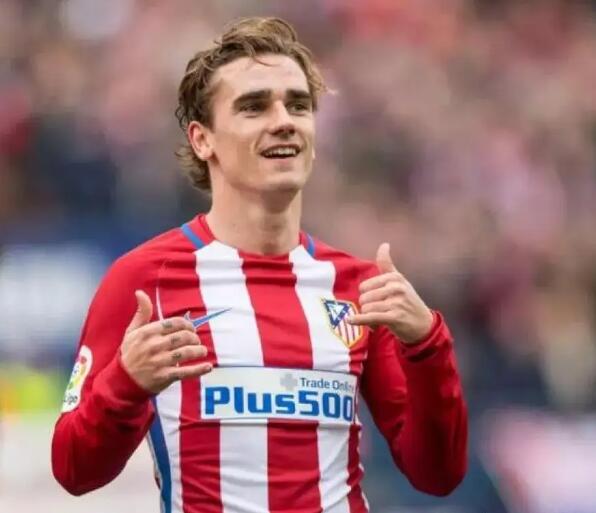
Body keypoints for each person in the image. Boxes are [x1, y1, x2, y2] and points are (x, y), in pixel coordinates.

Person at [51, 16, 467, 513]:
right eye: (254, 106)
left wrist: (427, 344)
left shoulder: (357, 287)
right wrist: (127, 382)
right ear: (202, 139)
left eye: (298, 105)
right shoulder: (143, 281)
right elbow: (73, 470)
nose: (284, 120)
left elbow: (437, 474)